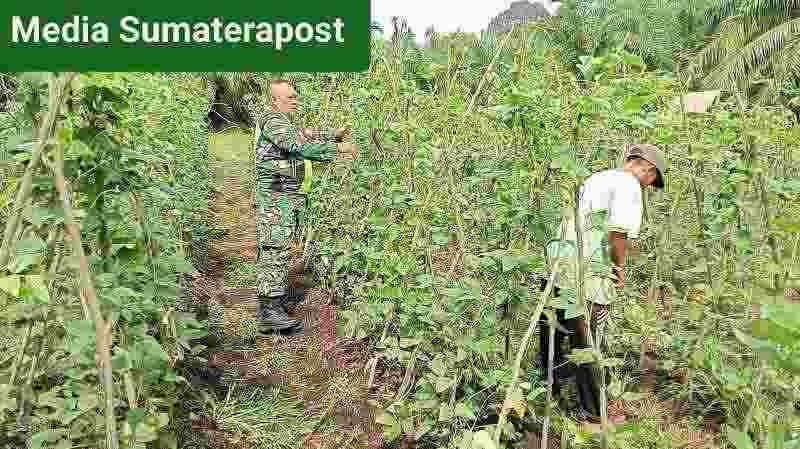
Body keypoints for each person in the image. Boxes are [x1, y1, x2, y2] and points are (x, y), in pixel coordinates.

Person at [539, 143, 666, 423]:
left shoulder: (596, 178)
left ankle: (550, 393)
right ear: (647, 169)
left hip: (558, 258)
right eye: (651, 180)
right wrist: (619, 269)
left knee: (554, 329)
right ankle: (594, 411)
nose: (648, 186)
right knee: (589, 338)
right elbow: (617, 233)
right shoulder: (630, 185)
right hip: (589, 267)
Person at [254, 79, 350, 333]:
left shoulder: (282, 123)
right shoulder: (273, 121)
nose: (296, 100)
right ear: (275, 101)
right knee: (273, 250)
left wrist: (332, 133)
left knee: (277, 249)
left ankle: (271, 305)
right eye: (290, 97)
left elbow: (304, 133)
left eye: (296, 96)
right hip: (275, 198)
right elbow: (297, 145)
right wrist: (338, 148)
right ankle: (270, 312)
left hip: (283, 197)